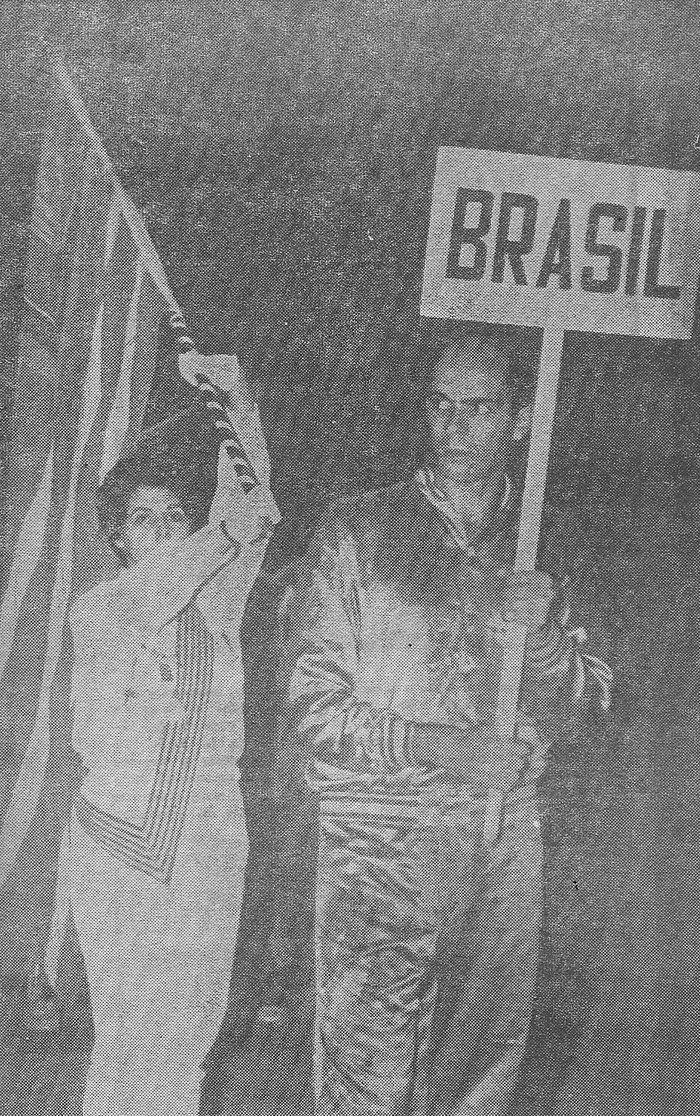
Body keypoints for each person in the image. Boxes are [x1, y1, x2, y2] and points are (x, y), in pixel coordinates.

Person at [274, 328, 611, 1116]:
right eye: (440, 405)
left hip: (502, 845)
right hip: (377, 842)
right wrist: (442, 749)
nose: (455, 428)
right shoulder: (357, 530)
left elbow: (593, 711)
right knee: (367, 1086)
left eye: (480, 409)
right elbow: (311, 708)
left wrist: (548, 638)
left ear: (520, 421)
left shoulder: (545, 545)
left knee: (480, 1083)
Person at [44, 353, 279, 1116]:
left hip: (208, 850)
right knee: (129, 1042)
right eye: (143, 519)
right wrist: (215, 536)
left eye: (174, 514)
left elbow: (246, 508)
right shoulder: (103, 609)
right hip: (119, 851)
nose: (164, 529)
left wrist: (237, 403)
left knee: (186, 1050)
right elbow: (186, 566)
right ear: (117, 537)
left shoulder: (216, 616)